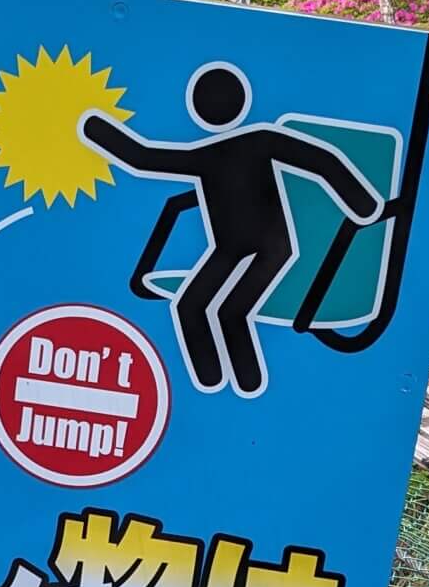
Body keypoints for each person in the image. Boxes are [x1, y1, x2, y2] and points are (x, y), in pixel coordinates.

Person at [81, 63, 384, 396]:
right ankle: (213, 382)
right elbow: (143, 158)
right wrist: (93, 127)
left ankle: (243, 383)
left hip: (270, 248)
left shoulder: (235, 147)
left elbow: (143, 157)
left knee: (231, 311)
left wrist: (362, 203)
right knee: (192, 306)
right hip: (231, 248)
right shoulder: (234, 147)